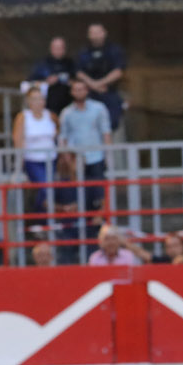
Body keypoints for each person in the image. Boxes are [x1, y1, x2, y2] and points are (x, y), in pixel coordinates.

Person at [58, 78, 112, 244]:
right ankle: (83, 233)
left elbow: (106, 132)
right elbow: (63, 137)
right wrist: (68, 159)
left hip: (96, 157)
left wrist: (108, 156)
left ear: (87, 90)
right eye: (76, 89)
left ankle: (100, 229)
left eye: (82, 89)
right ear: (72, 92)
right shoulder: (67, 113)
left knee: (100, 193)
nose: (79, 92)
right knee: (80, 195)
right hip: (76, 159)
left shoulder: (98, 108)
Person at [13, 87, 58, 244]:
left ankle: (43, 222)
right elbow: (18, 140)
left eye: (40, 98)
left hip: (51, 159)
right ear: (28, 101)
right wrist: (18, 166)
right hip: (32, 159)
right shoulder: (23, 117)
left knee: (48, 191)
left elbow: (58, 135)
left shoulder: (50, 115)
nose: (38, 102)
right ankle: (39, 222)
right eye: (34, 99)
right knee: (44, 188)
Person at [76, 23, 127, 132]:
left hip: (110, 92)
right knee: (89, 125)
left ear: (104, 33)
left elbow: (118, 71)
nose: (95, 35)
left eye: (98, 32)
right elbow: (79, 72)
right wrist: (93, 85)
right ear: (88, 35)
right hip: (90, 94)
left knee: (112, 124)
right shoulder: (84, 52)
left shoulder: (114, 50)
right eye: (92, 33)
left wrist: (100, 83)